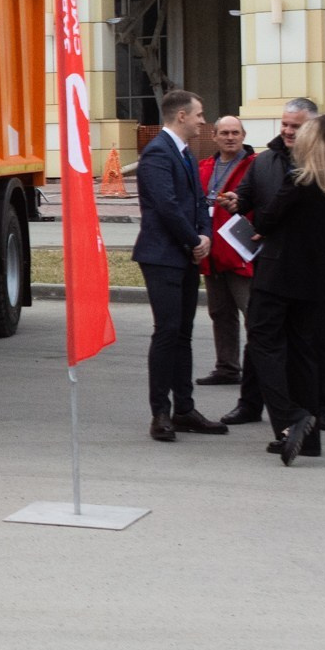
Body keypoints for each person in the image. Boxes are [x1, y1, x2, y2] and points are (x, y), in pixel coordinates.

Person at [247, 114, 325, 465]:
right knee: (304, 352)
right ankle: (310, 441)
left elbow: (265, 220)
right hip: (318, 279)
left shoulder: (298, 180)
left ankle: (289, 419)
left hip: (278, 275)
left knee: (264, 343)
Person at [130, 89, 228, 442]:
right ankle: (161, 412)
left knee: (183, 334)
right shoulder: (158, 152)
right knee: (167, 332)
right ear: (182, 116)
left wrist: (204, 236)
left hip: (185, 255)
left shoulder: (184, 152)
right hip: (162, 257)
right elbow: (166, 205)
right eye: (200, 114)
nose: (204, 120)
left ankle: (185, 409)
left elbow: (198, 201)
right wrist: (193, 240)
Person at [220, 98, 323, 427]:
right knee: (260, 338)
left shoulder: (320, 163)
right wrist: (237, 201)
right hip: (267, 265)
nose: (289, 131)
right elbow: (247, 195)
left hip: (307, 268)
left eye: (297, 125)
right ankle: (251, 404)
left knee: (299, 344)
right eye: (286, 124)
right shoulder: (263, 161)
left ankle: (313, 411)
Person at [197, 116, 256, 387]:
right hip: (212, 253)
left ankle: (260, 369)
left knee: (252, 312)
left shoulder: (255, 165)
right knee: (220, 312)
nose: (230, 137)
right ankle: (227, 367)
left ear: (243, 135)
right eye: (224, 133)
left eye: (235, 132)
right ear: (214, 137)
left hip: (241, 252)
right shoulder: (204, 167)